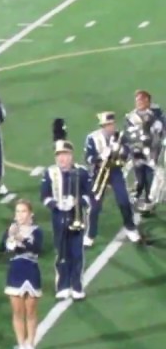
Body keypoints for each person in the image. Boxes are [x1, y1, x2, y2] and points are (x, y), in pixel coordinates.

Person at [42, 120, 92, 300]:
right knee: (61, 253)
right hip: (58, 218)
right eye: (59, 155)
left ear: (71, 156)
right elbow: (45, 196)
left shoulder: (81, 172)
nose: (62, 158)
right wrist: (56, 205)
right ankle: (63, 284)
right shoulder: (50, 173)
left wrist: (77, 203)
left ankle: (77, 285)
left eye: (65, 155)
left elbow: (89, 196)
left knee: (77, 253)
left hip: (76, 216)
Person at [85, 111, 140, 245]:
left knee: (124, 201)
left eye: (111, 124)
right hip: (99, 172)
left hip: (115, 171)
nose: (110, 127)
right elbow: (88, 158)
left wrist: (120, 152)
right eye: (107, 125)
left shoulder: (120, 136)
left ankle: (130, 228)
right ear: (102, 126)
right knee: (95, 206)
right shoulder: (92, 138)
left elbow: (127, 153)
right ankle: (90, 234)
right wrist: (100, 158)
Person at [0, 200, 43, 349]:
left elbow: (37, 248)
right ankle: (20, 344)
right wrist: (8, 240)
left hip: (31, 271)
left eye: (23, 211)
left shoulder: (36, 231)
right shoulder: (11, 229)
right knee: (17, 312)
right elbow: (0, 248)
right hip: (15, 272)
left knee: (30, 311)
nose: (20, 215)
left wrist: (20, 240)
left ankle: (30, 343)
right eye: (17, 211)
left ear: (30, 213)